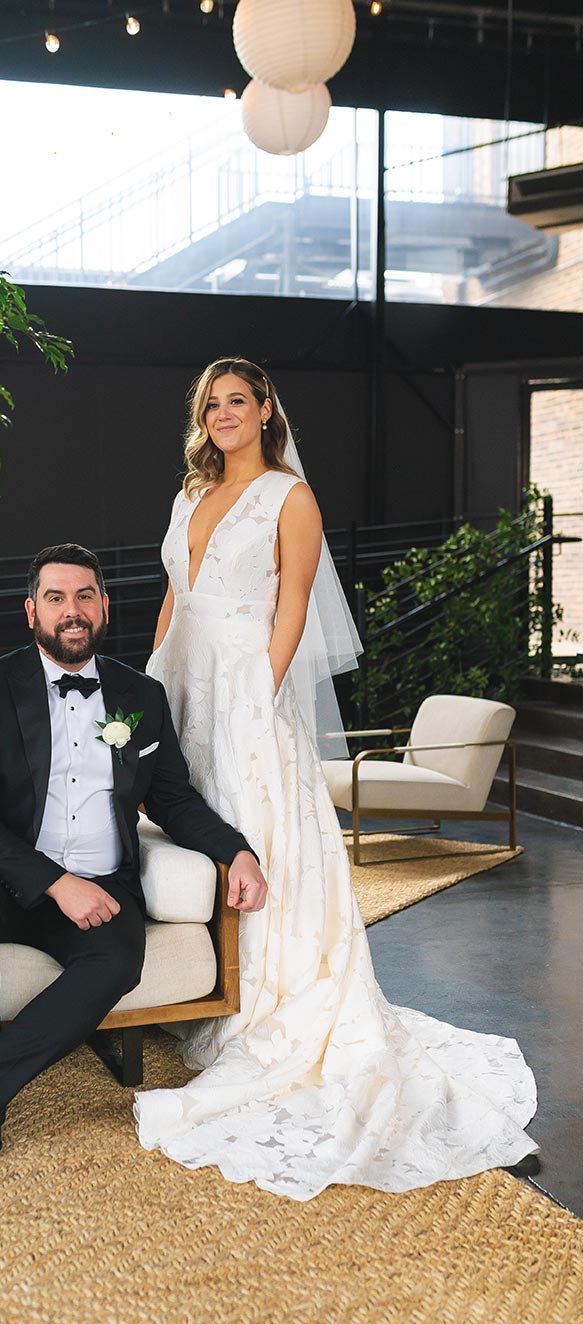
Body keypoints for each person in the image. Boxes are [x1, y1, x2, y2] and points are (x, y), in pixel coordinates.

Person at [133, 357, 538, 1199]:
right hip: (182, 681)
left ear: (266, 407)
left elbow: (290, 607)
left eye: (236, 401)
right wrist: (148, 684)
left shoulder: (290, 497)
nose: (222, 415)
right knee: (188, 831)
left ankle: (268, 1002)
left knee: (257, 830)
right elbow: (175, 595)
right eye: (210, 404)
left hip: (247, 688)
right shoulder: (186, 492)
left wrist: (261, 693)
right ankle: (205, 986)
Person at [0, 542, 267, 1174]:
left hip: (102, 883)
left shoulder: (141, 697)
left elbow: (173, 800)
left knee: (117, 962)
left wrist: (236, 852)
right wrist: (55, 882)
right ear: (31, 611)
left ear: (103, 605)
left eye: (84, 596)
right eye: (56, 597)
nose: (72, 610)